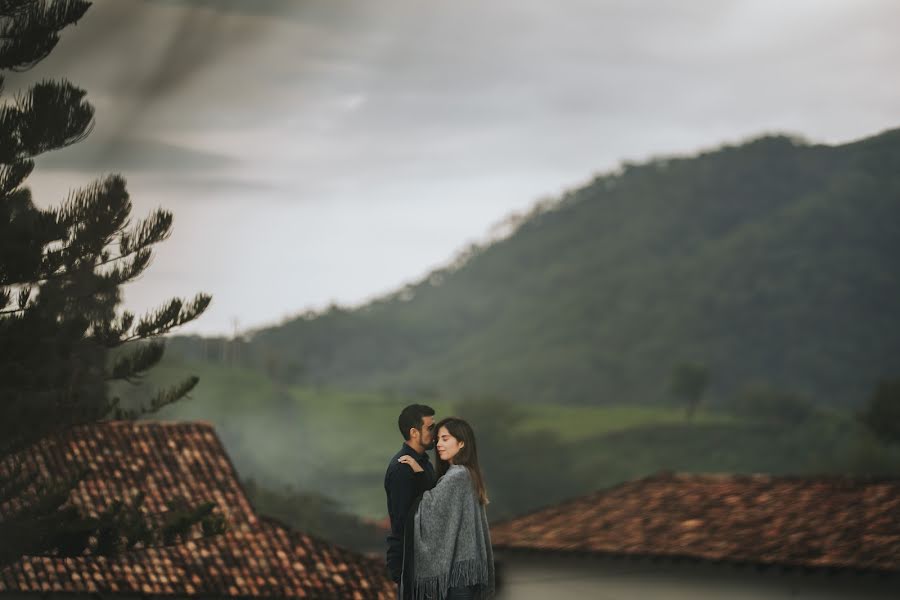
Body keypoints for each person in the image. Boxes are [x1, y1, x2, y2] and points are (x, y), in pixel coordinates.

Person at [397, 417, 495, 600]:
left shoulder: (457, 476)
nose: (439, 444)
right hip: (464, 574)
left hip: (457, 577)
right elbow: (439, 504)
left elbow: (430, 509)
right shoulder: (466, 473)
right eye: (438, 440)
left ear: (461, 443)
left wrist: (418, 477)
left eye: (445, 438)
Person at [385, 404, 438, 593]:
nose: (435, 432)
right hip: (413, 563)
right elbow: (403, 520)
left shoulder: (423, 463)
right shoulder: (402, 468)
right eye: (430, 427)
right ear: (414, 432)